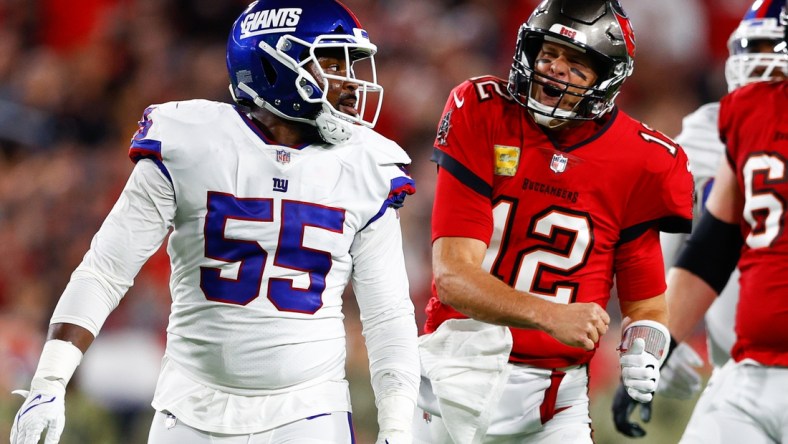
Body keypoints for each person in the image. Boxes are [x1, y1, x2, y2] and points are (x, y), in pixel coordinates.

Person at [9, 1, 420, 443]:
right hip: (191, 408)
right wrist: (49, 382)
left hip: (309, 411)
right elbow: (106, 269)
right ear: (272, 63)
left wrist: (397, 428)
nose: (350, 82)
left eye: (351, 64)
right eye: (331, 62)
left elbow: (387, 315)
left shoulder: (368, 165)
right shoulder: (193, 141)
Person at [411, 0, 695, 442]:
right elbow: (453, 277)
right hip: (453, 371)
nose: (554, 70)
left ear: (607, 78)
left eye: (576, 64)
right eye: (547, 54)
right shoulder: (483, 109)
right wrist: (549, 315)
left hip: (555, 397)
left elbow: (646, 305)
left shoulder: (645, 159)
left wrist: (645, 351)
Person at [612, 0, 788, 437]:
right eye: (756, 51)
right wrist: (654, 342)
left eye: (773, 50)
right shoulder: (740, 121)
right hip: (748, 369)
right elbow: (707, 248)